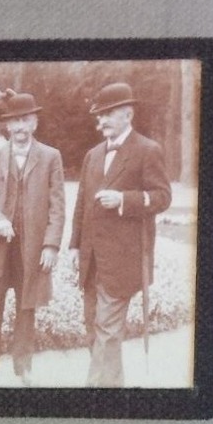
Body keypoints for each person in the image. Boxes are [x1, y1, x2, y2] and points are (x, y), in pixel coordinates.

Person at [0, 90, 65, 386]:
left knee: (26, 305)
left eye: (25, 120)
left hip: (31, 248)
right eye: (14, 122)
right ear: (7, 126)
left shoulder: (50, 157)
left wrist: (51, 244)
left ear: (35, 123)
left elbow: (58, 204)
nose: (19, 127)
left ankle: (23, 366)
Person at [69, 82, 172, 387]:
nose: (100, 122)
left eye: (107, 115)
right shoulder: (93, 155)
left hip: (124, 258)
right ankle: (113, 389)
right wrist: (75, 246)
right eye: (98, 116)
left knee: (108, 330)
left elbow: (162, 196)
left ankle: (95, 395)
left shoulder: (147, 150)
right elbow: (82, 203)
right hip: (91, 258)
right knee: (93, 328)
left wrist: (124, 200)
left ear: (127, 114)